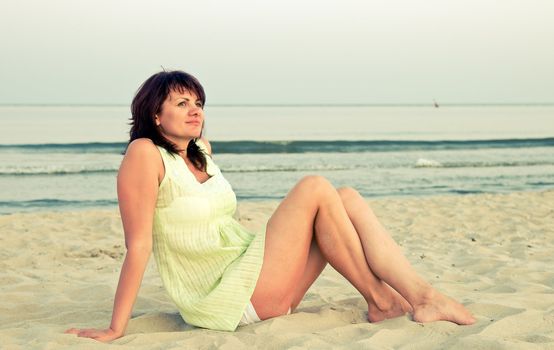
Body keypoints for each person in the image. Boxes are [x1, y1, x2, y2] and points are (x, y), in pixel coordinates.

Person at [65, 70, 475, 342]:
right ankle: (394, 300)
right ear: (155, 114)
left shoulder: (202, 150)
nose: (195, 112)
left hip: (253, 276)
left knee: (344, 196)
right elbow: (138, 246)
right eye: (181, 103)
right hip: (222, 299)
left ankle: (411, 297)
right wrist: (116, 328)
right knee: (315, 186)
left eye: (198, 104)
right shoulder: (144, 154)